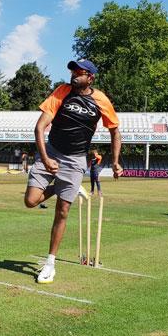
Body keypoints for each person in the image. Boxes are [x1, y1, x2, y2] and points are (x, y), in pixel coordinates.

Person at [24, 59, 122, 284]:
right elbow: (39, 127)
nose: (74, 74)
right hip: (51, 151)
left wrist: (116, 162)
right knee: (30, 201)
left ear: (91, 77)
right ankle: (62, 187)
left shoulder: (101, 101)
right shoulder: (62, 91)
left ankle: (50, 264)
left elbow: (115, 131)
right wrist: (46, 159)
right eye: (73, 70)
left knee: (62, 211)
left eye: (80, 72)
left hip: (76, 160)